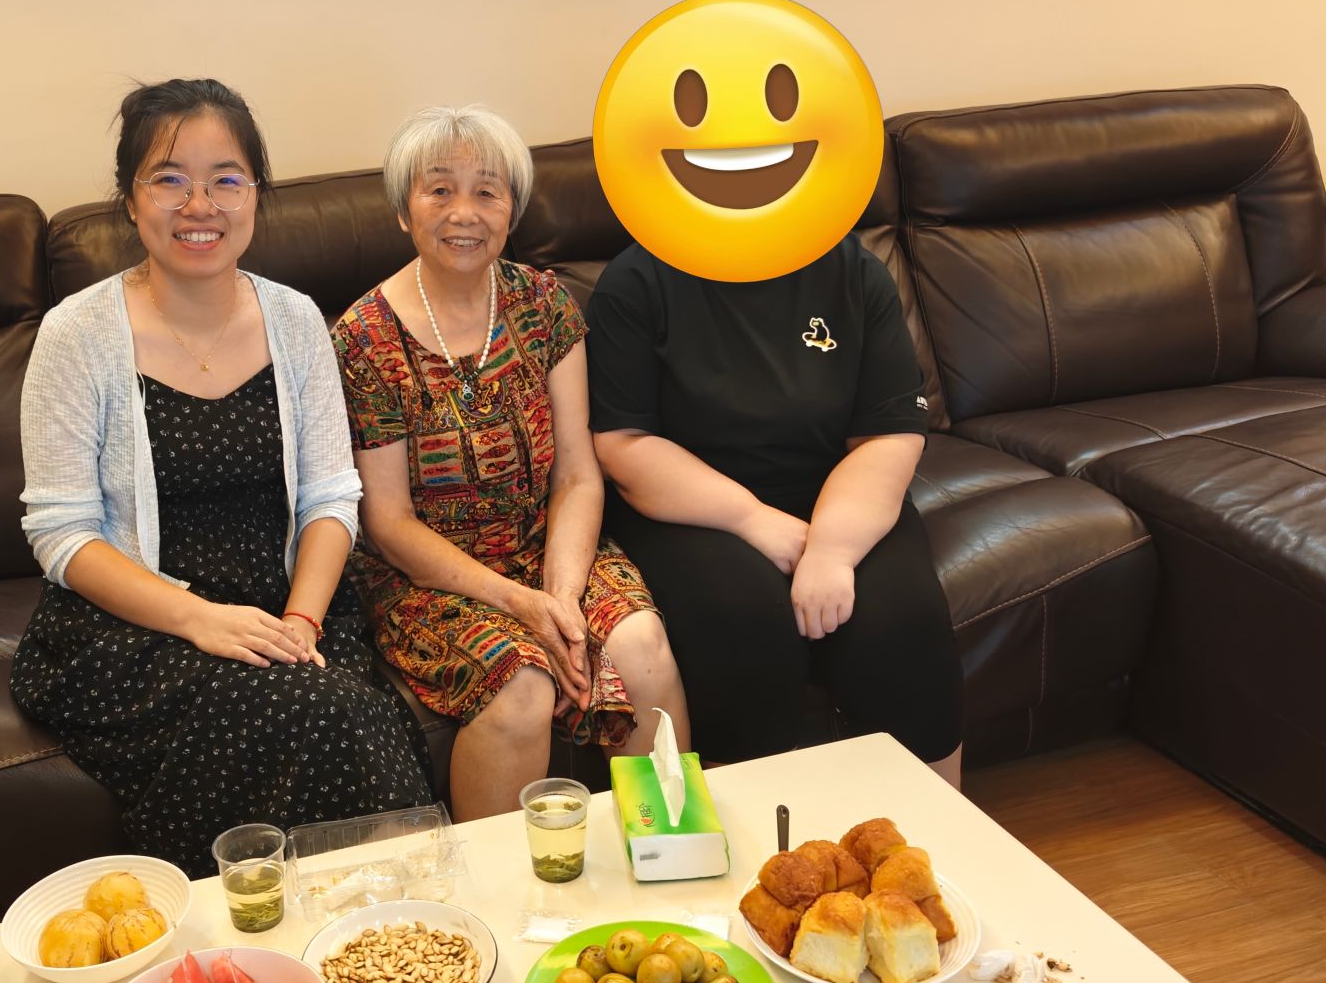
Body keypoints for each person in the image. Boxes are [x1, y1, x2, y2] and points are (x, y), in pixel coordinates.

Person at [9, 78, 432, 876]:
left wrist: (302, 621)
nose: (199, 204)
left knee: (333, 703)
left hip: (284, 607)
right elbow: (62, 534)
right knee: (327, 714)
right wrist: (199, 620)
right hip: (138, 625)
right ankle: (361, 914)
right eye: (169, 179)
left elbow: (331, 496)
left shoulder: (296, 320)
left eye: (225, 179)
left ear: (255, 195)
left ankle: (372, 922)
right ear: (130, 199)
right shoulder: (77, 335)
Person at [332, 106, 688, 820]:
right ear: (404, 210)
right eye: (439, 190)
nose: (464, 212)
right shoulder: (365, 338)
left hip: (547, 544)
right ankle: (494, 889)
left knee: (641, 644)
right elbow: (389, 522)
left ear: (511, 210)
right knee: (522, 684)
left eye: (487, 192)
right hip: (430, 576)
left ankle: (666, 850)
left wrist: (561, 596)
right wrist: (523, 607)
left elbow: (577, 473)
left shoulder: (544, 304)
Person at [586, 232, 964, 786]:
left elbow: (889, 435)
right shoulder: (635, 281)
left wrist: (832, 551)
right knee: (743, 621)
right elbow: (625, 443)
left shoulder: (856, 272)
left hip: (842, 489)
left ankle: (930, 826)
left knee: (905, 619)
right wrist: (752, 519)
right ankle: (747, 829)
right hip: (691, 504)